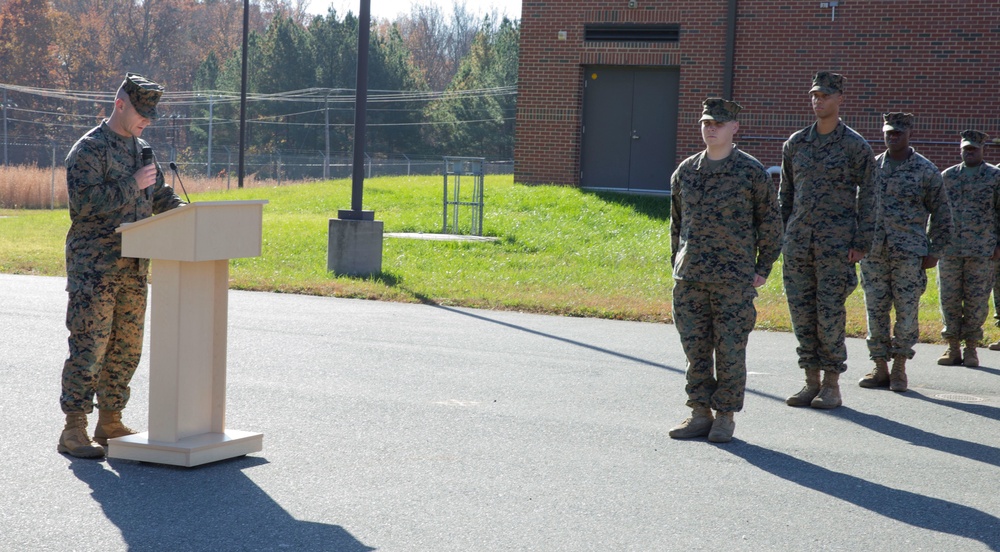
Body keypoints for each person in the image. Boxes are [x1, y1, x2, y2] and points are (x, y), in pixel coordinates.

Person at [58, 73, 185, 458]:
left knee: (126, 347)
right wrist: (131, 183)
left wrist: (186, 215)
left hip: (133, 267)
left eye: (151, 113)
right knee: (89, 345)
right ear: (120, 105)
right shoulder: (89, 149)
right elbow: (83, 206)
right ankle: (74, 428)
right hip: (95, 269)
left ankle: (110, 420)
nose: (147, 119)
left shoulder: (143, 149)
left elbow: (160, 195)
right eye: (141, 112)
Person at [668, 98, 782, 443]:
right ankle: (699, 413)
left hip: (733, 280)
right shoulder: (687, 171)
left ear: (735, 127)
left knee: (730, 350)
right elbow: (676, 223)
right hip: (690, 279)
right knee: (695, 350)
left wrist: (763, 267)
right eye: (706, 122)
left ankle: (725, 417)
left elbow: (771, 223)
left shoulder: (750, 172)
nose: (711, 128)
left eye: (718, 123)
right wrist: (676, 262)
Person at [779, 71, 875, 410]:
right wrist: (784, 235)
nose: (817, 100)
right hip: (798, 244)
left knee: (830, 314)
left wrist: (862, 241)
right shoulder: (796, 143)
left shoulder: (854, 145)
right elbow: (786, 194)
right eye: (814, 95)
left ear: (839, 99)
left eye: (824, 95)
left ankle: (832, 384)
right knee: (802, 313)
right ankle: (811, 381)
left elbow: (870, 195)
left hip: (836, 246)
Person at [857, 113, 950, 393]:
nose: (892, 136)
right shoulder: (872, 167)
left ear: (909, 134)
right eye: (889, 132)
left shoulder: (925, 170)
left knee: (907, 312)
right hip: (874, 253)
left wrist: (935, 250)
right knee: (875, 310)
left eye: (898, 132)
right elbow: (859, 208)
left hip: (909, 254)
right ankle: (879, 366)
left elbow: (942, 213)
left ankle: (899, 367)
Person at [937, 130, 1000, 367]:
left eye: (973, 148)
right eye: (966, 148)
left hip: (982, 251)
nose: (969, 152)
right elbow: (939, 213)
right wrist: (934, 243)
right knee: (949, 299)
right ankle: (952, 347)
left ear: (982, 150)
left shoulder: (994, 177)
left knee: (976, 301)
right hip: (950, 250)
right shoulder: (948, 176)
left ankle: (971, 349)